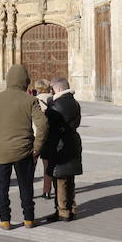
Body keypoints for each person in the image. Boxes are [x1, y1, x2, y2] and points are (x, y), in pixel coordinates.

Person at [0, 64, 48, 230]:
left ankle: (5, 220)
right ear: (25, 81)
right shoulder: (30, 100)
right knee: (26, 186)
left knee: (2, 187)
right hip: (24, 151)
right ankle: (29, 219)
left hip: (0, 151)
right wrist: (37, 147)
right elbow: (43, 124)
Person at [44, 77, 82, 222]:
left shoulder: (56, 104)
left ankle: (62, 211)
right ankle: (71, 208)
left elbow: (48, 124)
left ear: (58, 89)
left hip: (59, 144)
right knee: (69, 178)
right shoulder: (75, 102)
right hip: (72, 141)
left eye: (52, 89)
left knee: (59, 178)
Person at [34, 79, 54, 200]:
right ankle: (47, 191)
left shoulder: (34, 101)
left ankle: (27, 191)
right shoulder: (54, 100)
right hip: (49, 136)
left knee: (30, 165)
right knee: (48, 165)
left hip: (36, 137)